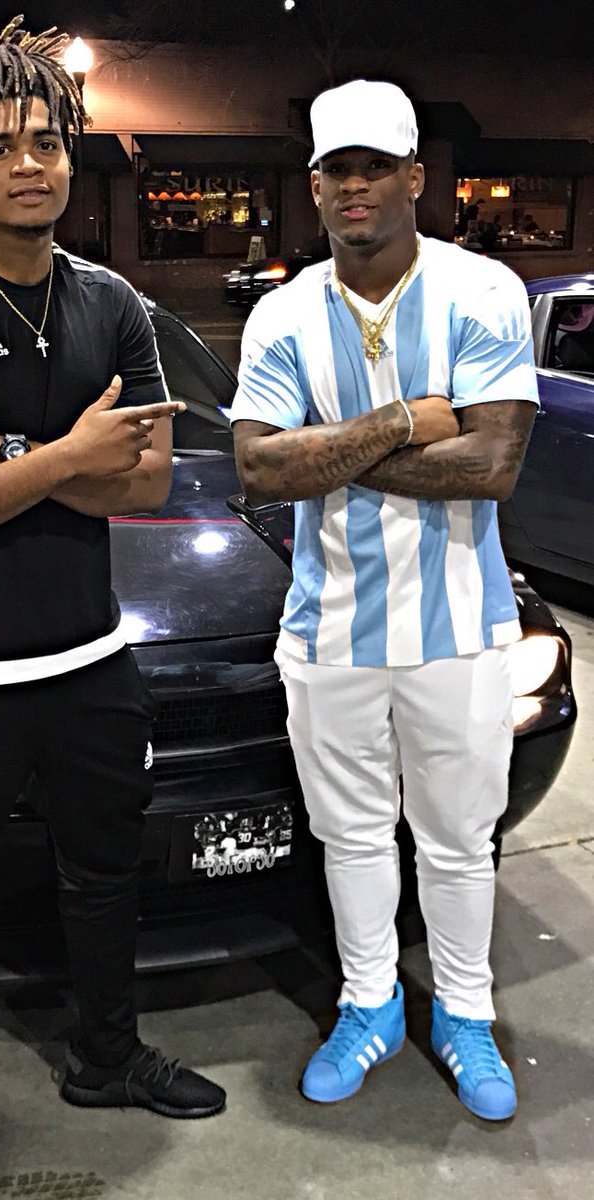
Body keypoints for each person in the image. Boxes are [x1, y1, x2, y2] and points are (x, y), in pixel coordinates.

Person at [0, 16, 225, 1199]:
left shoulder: (111, 304)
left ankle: (105, 1057)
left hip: (88, 658)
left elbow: (147, 481)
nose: (30, 164)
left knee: (103, 874)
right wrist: (67, 456)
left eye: (47, 143)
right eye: (0, 145)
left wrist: (0, 452)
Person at [231, 79, 538, 1122]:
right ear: (314, 185)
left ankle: (465, 1012)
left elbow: (492, 465)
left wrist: (325, 455)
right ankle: (370, 1005)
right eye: (336, 170)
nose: (354, 186)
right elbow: (259, 471)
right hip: (328, 629)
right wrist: (403, 421)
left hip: (459, 628)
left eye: (375, 167)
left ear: (415, 176)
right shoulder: (282, 313)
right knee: (352, 835)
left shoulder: (482, 290)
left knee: (458, 839)